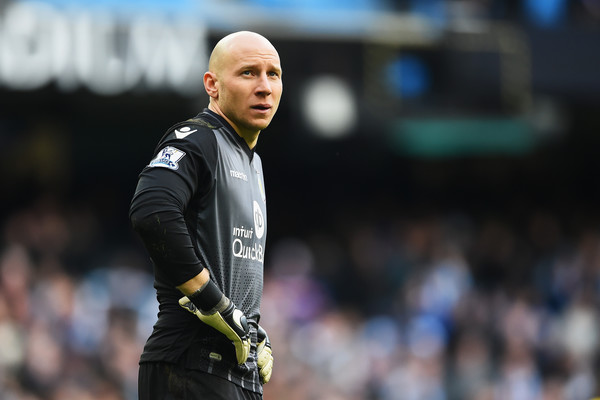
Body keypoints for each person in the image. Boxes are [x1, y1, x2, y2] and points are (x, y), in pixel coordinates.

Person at [129, 30, 281, 400]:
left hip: (235, 374)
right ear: (212, 85)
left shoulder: (253, 162)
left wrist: (249, 328)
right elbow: (152, 211)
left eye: (272, 74)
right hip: (189, 365)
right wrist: (213, 302)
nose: (264, 87)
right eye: (248, 73)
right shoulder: (196, 139)